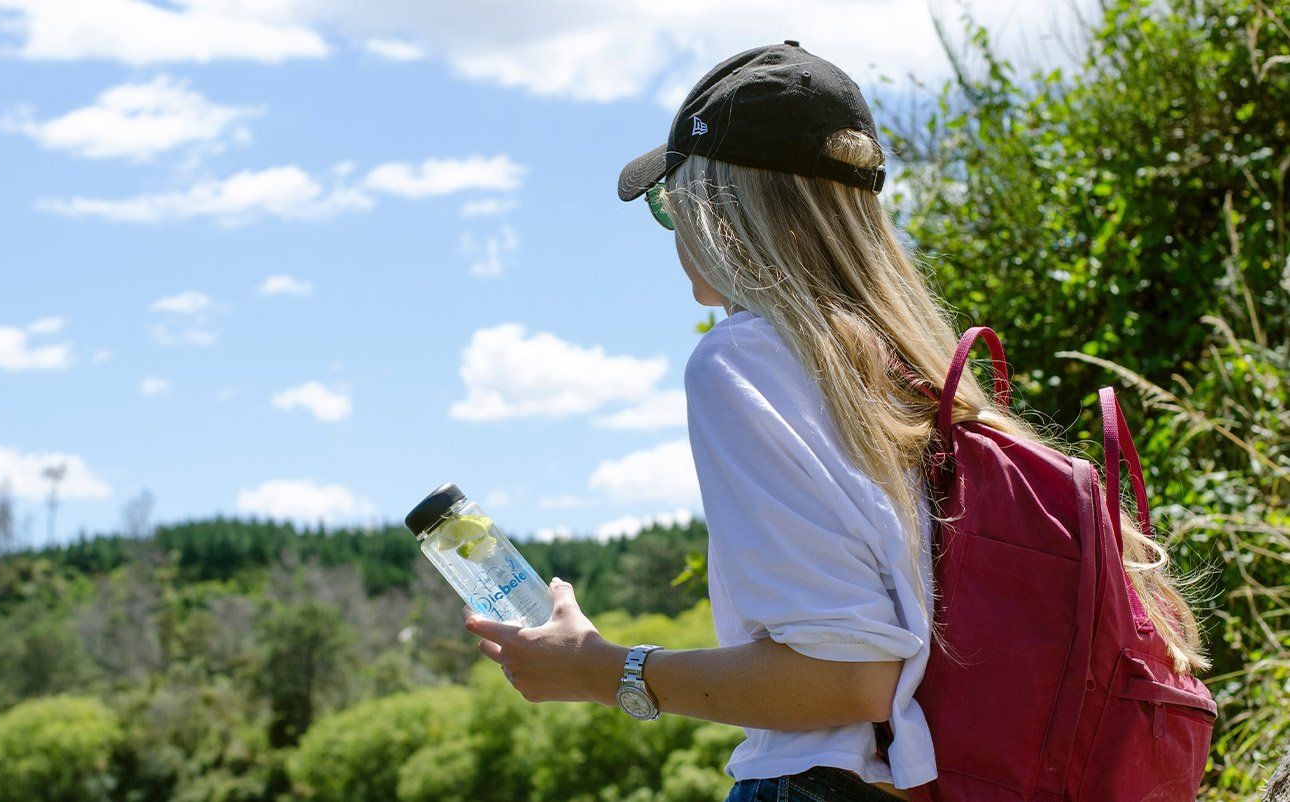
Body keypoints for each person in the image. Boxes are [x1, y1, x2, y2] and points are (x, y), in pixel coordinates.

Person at [463, 40, 1206, 802]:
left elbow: (849, 676)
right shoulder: (907, 374)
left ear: (721, 208)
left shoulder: (742, 359)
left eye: (672, 201)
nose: (674, 228)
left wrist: (603, 670)